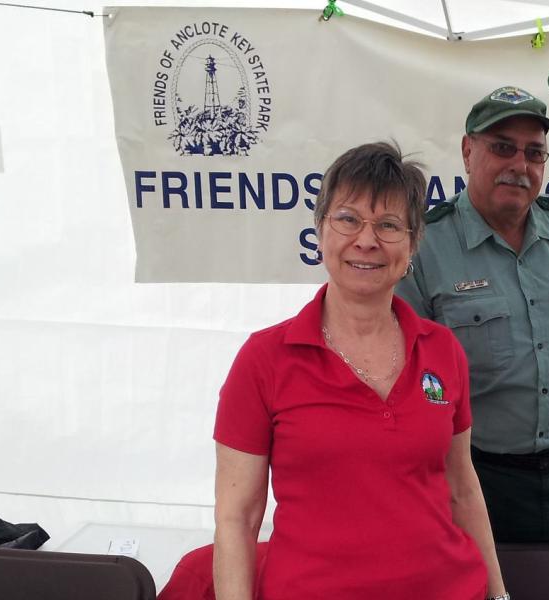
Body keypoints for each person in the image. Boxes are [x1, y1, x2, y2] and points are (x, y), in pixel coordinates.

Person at [213, 142, 509, 600]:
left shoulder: (442, 349)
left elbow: (462, 487)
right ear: (320, 230)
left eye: (389, 225)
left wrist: (499, 595)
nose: (366, 240)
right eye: (348, 219)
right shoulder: (264, 359)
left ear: (412, 244)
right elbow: (238, 517)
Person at [396, 86, 549, 600]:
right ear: (468, 151)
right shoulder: (426, 246)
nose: (520, 164)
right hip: (483, 483)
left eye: (534, 152)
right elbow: (405, 364)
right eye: (502, 147)